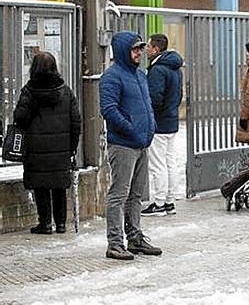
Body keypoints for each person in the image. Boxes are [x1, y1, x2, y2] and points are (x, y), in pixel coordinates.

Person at [99, 32, 162, 260]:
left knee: (136, 195)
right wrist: (129, 128)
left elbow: (147, 105)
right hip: (123, 144)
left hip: (141, 143)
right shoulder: (112, 77)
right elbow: (108, 109)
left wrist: (150, 126)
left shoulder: (140, 76)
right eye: (135, 49)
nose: (139, 53)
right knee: (119, 194)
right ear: (124, 51)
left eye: (140, 49)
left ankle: (135, 238)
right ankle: (115, 242)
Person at [13, 51, 82, 235]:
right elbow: (76, 122)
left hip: (36, 149)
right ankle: (61, 224)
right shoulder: (65, 91)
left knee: (40, 185)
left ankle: (45, 223)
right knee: (59, 185)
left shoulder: (29, 91)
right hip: (60, 149)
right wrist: (71, 147)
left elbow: (20, 118)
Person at [141, 34, 184, 217]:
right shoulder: (175, 68)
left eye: (149, 46)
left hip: (159, 123)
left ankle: (158, 202)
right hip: (171, 120)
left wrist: (150, 114)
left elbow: (155, 97)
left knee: (158, 164)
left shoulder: (158, 70)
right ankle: (169, 201)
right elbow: (179, 94)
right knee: (170, 162)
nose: (146, 49)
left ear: (156, 49)